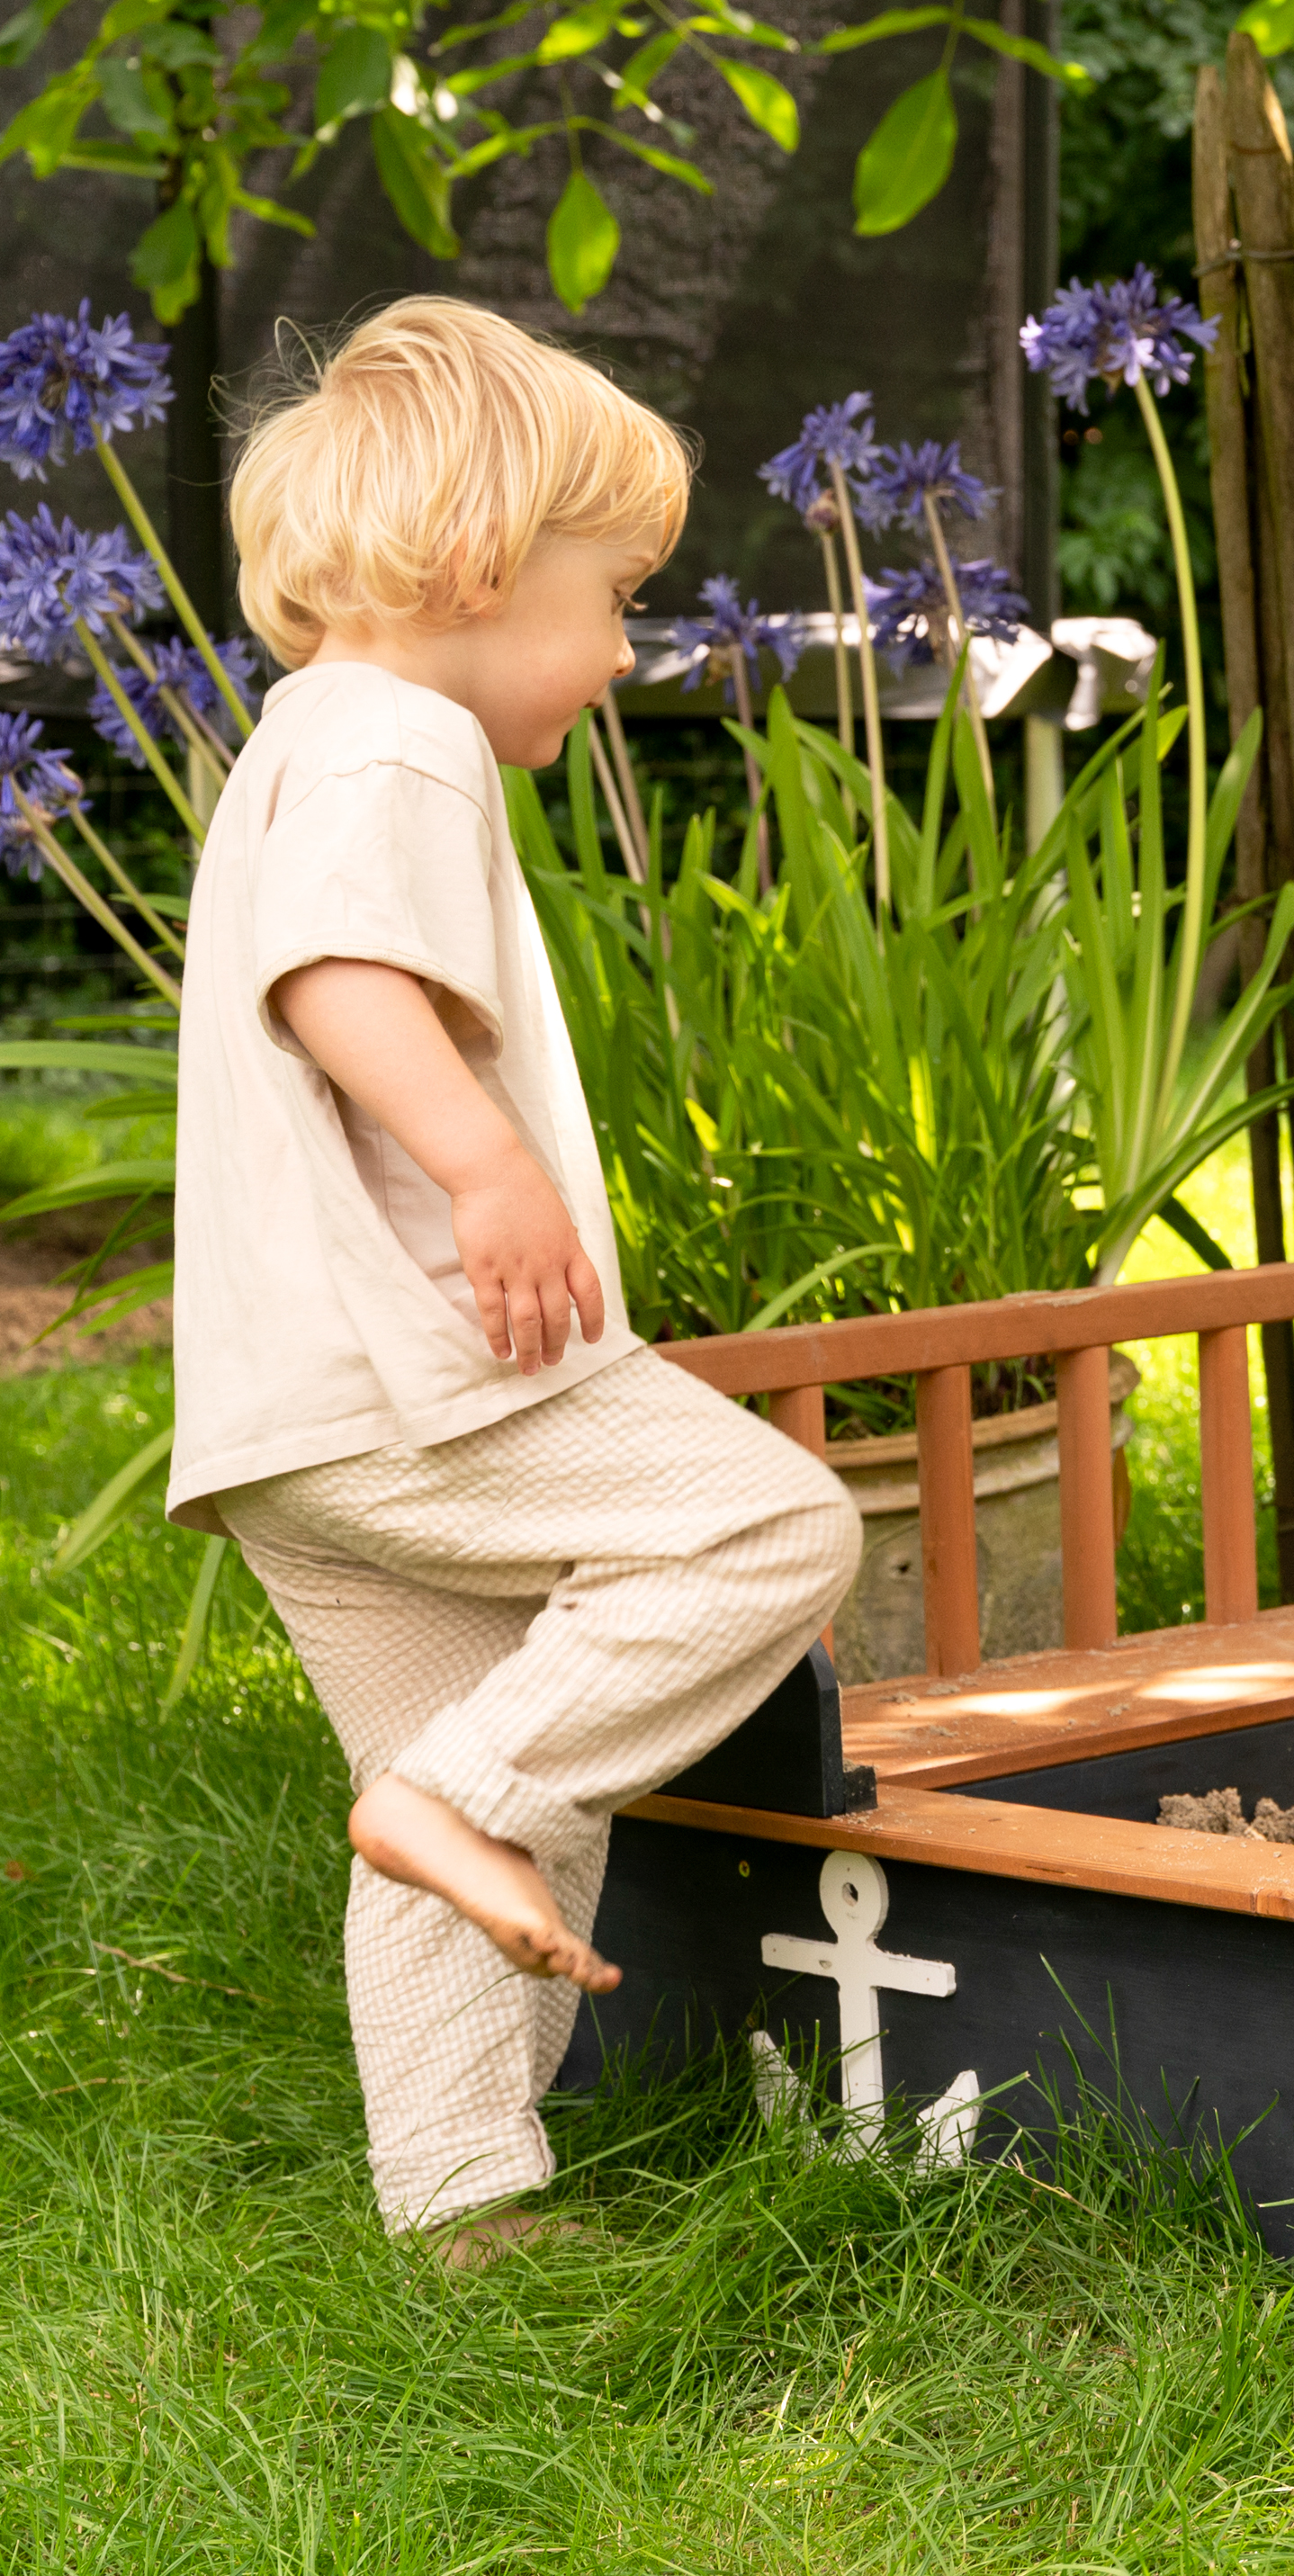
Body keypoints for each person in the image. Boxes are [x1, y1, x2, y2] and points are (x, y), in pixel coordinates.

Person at [167, 299, 860, 2259]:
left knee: (480, 1796)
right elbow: (343, 981)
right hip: (421, 1380)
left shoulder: (302, 740)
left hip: (285, 1425)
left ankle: (466, 2210)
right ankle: (452, 1806)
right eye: (612, 592)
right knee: (761, 1531)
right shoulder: (398, 741)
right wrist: (484, 1163)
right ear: (479, 565)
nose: (628, 647)